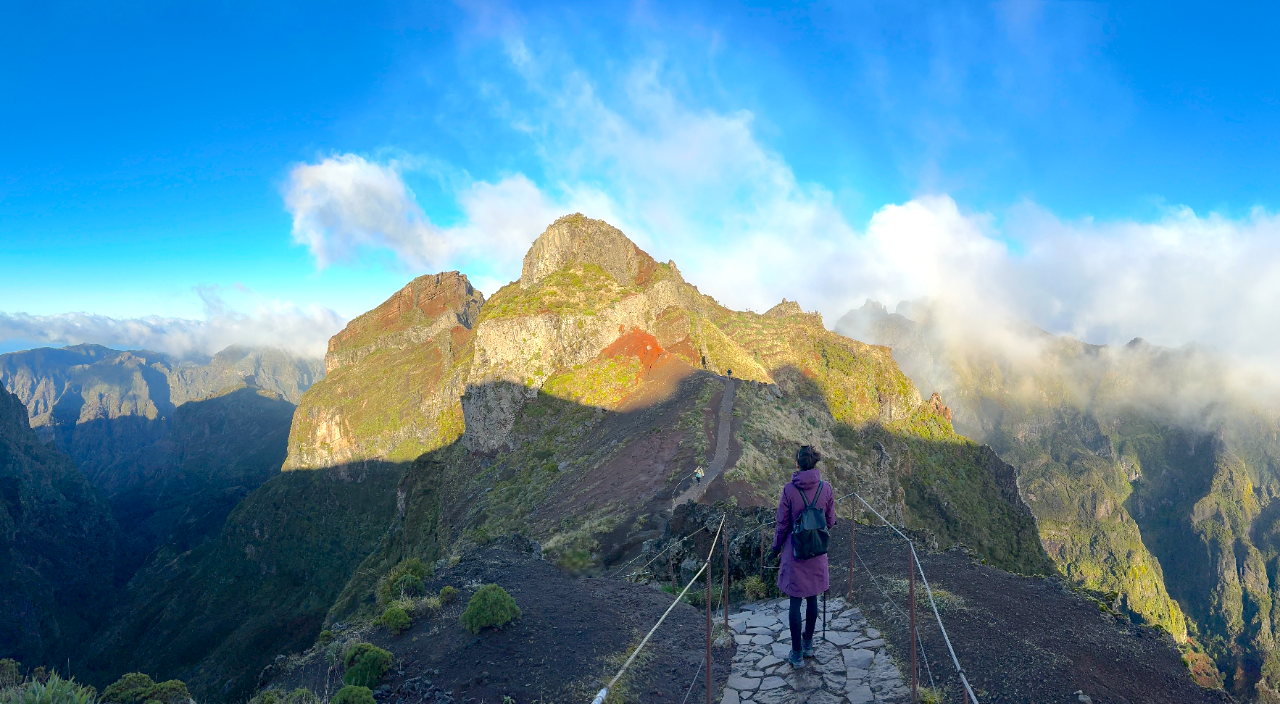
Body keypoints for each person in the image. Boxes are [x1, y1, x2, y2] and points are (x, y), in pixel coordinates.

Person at [769, 445, 836, 668]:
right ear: (815, 463)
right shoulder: (825, 488)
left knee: (795, 602)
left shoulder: (789, 490)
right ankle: (808, 645)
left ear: (798, 463)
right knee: (813, 598)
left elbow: (782, 524)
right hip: (816, 552)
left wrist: (775, 548)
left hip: (794, 551)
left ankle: (796, 654)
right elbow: (830, 521)